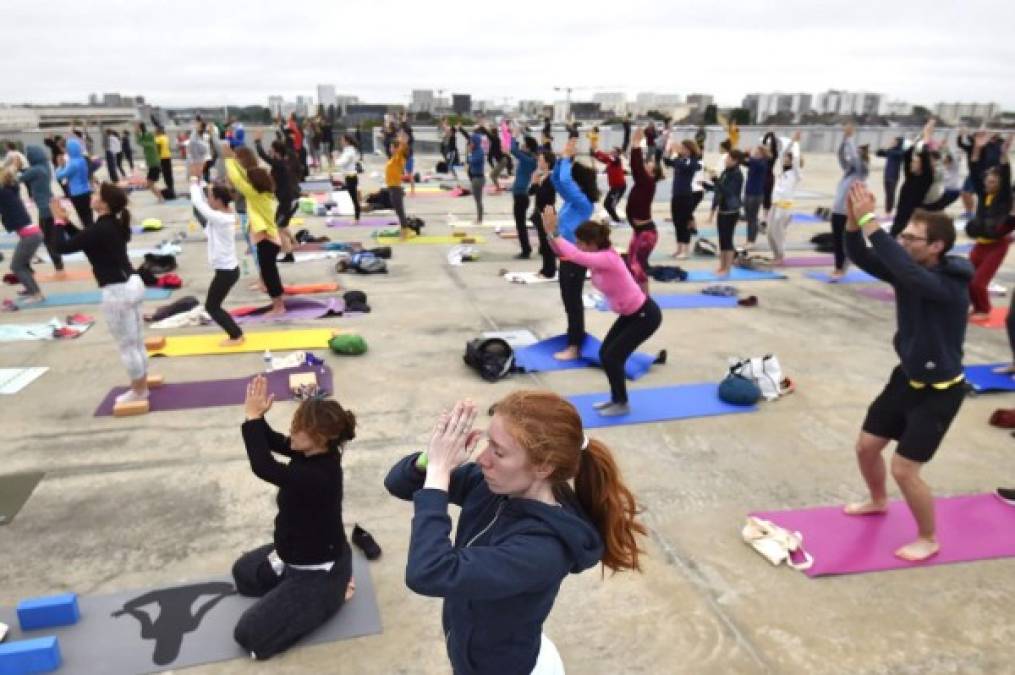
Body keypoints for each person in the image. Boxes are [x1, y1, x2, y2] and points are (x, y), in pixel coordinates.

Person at [384, 393, 646, 673]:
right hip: (472, 647)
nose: (482, 459)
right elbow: (399, 483)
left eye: (498, 451)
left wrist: (439, 473)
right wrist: (431, 460)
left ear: (543, 467)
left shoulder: (543, 550)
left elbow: (428, 572)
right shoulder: (496, 485)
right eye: (487, 443)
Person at [842, 182, 971, 561]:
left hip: (941, 390)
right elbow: (861, 256)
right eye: (903, 236)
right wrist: (853, 223)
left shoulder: (948, 285)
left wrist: (870, 220)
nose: (904, 243)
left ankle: (928, 537)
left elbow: (911, 277)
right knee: (867, 448)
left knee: (905, 469)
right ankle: (878, 501)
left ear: (936, 247)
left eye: (912, 239)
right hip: (907, 378)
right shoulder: (911, 269)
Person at [234, 375, 357, 660]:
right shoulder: (312, 451)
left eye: (299, 428)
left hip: (316, 568)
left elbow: (264, 466)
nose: (292, 431)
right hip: (293, 552)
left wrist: (252, 420)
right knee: (243, 575)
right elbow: (275, 441)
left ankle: (333, 589)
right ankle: (313, 583)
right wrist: (258, 418)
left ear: (320, 439)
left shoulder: (318, 475)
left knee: (249, 636)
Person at [60, 183, 151, 404]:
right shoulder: (113, 224)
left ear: (104, 204)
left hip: (117, 291)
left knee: (127, 346)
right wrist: (66, 222)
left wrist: (55, 222)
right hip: (132, 283)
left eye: (96, 195)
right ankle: (141, 385)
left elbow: (60, 247)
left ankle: (138, 390)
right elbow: (85, 239)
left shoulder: (100, 228)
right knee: (136, 342)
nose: (92, 196)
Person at [550, 137, 598, 361]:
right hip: (566, 258)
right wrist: (562, 160)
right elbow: (558, 181)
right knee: (569, 302)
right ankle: (573, 340)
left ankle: (574, 346)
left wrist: (568, 159)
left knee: (573, 304)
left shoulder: (583, 203)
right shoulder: (572, 202)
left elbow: (565, 181)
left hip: (575, 260)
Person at [224, 144, 285, 316]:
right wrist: (235, 160)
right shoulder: (263, 193)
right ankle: (278, 304)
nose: (247, 183)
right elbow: (243, 176)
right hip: (268, 239)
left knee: (269, 273)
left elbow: (238, 180)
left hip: (267, 240)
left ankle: (278, 306)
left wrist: (229, 159)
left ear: (254, 184)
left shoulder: (255, 196)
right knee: (269, 272)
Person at [189, 176, 243, 346]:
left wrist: (193, 184)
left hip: (227, 272)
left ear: (218, 200)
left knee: (212, 306)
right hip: (227, 269)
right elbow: (200, 207)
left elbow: (199, 204)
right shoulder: (223, 214)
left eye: (211, 197)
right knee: (213, 305)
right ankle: (236, 334)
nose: (208, 199)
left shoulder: (221, 218)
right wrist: (201, 184)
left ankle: (236, 336)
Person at [967, 131, 1013, 320]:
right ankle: (977, 307)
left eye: (992, 182)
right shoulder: (984, 194)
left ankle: (984, 310)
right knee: (967, 277)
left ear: (1000, 184)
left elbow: (1006, 172)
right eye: (987, 181)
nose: (988, 184)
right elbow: (974, 170)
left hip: (996, 246)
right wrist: (977, 148)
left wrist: (1004, 153)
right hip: (980, 244)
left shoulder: (1003, 198)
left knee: (979, 282)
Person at [625, 127, 664, 294]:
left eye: (651, 165)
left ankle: (645, 299)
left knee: (637, 266)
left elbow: (636, 166)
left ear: (652, 173)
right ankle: (636, 294)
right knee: (630, 263)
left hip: (647, 233)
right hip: (638, 230)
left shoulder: (648, 183)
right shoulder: (642, 183)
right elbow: (637, 167)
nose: (648, 164)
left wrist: (636, 144)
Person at [829, 123, 869, 279]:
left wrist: (851, 138)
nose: (852, 158)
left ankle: (841, 267)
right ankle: (839, 266)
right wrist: (845, 139)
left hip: (848, 212)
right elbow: (841, 155)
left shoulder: (862, 170)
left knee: (847, 241)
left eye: (858, 153)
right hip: (837, 210)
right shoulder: (848, 171)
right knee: (837, 240)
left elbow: (854, 157)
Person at [1, 167, 45, 303]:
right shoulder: (11, 190)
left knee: (16, 266)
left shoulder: (3, 193)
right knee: (23, 264)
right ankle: (29, 289)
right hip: (33, 233)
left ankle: (36, 294)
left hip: (30, 236)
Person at [17, 145, 64, 273]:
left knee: (47, 238)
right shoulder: (45, 167)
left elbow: (17, 179)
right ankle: (58, 263)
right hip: (51, 204)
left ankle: (58, 264)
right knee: (50, 237)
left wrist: (14, 167)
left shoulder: (35, 170)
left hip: (45, 208)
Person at [254, 130, 297, 259]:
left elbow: (262, 155)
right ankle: (294, 242)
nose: (270, 151)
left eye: (272, 149)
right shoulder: (281, 162)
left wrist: (257, 141)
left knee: (278, 227)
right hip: (287, 200)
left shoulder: (279, 164)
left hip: (286, 202)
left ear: (277, 151)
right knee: (283, 225)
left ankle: (289, 255)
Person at [890, 120, 936, 238]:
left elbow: (925, 157)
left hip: (911, 223)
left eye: (915, 162)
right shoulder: (910, 177)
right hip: (899, 222)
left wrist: (927, 136)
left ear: (922, 165)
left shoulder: (925, 179)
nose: (911, 164)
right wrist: (917, 139)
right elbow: (907, 157)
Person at [766, 132, 803, 265]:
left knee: (778, 232)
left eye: (789, 157)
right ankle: (775, 255)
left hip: (785, 207)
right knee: (769, 232)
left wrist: (796, 143)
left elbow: (796, 159)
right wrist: (790, 143)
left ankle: (780, 256)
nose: (786, 158)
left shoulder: (796, 174)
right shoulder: (781, 172)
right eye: (786, 157)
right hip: (775, 204)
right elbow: (782, 154)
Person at [664, 139, 703, 259]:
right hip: (676, 195)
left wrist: (676, 154)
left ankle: (685, 250)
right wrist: (668, 151)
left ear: (689, 150)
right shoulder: (679, 160)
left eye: (684, 148)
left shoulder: (693, 162)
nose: (682, 150)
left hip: (686, 196)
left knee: (684, 223)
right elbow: (667, 162)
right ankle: (678, 248)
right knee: (676, 222)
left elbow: (688, 166)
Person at [709, 149, 745, 277]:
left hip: (731, 211)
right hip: (723, 209)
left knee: (728, 239)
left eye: (728, 158)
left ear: (735, 161)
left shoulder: (737, 174)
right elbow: (719, 188)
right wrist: (708, 186)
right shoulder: (726, 172)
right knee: (722, 239)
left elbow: (729, 192)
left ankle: (727, 268)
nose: (725, 160)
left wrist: (715, 181)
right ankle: (722, 266)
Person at [509, 130, 538, 259]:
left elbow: (513, 150)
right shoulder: (529, 158)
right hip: (520, 196)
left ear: (528, 148)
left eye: (524, 145)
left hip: (521, 196)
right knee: (520, 224)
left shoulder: (529, 160)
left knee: (520, 225)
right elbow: (531, 144)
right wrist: (524, 132)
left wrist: (514, 137)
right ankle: (526, 248)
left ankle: (526, 250)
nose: (522, 146)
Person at [529, 150, 558, 280]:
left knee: (548, 244)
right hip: (540, 212)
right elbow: (531, 192)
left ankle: (550, 270)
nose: (538, 162)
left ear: (547, 162)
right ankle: (545, 267)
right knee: (543, 243)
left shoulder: (551, 177)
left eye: (540, 160)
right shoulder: (542, 176)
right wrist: (534, 182)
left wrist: (537, 184)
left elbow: (546, 196)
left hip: (547, 213)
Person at [55, 137, 94, 229]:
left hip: (76, 193)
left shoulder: (72, 163)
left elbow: (59, 176)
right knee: (89, 216)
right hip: (86, 190)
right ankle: (93, 233)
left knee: (83, 217)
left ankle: (90, 236)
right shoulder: (82, 160)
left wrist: (60, 166)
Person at [385, 131, 414, 239]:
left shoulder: (398, 158)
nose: (389, 149)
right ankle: (404, 229)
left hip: (395, 188)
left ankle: (405, 232)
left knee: (400, 211)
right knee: (398, 211)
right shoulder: (394, 158)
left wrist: (402, 141)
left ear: (396, 149)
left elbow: (403, 149)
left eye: (391, 147)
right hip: (392, 187)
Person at [742, 145, 770, 249]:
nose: (755, 153)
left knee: (752, 218)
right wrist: (745, 153)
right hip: (748, 192)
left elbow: (753, 161)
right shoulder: (753, 162)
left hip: (756, 194)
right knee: (749, 218)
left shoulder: (762, 162)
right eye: (755, 151)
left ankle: (751, 241)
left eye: (757, 152)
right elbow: (741, 160)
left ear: (762, 154)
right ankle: (750, 237)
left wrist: (749, 154)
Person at [593, 146, 626, 224]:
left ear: (618, 154)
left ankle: (617, 220)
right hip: (614, 188)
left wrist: (597, 151)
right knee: (607, 204)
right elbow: (602, 159)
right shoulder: (610, 161)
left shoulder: (617, 160)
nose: (611, 152)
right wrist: (594, 153)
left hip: (619, 187)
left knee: (609, 205)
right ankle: (616, 219)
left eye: (613, 152)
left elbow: (606, 157)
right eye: (611, 151)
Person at [462, 125, 486, 224]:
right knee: (477, 199)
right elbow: (468, 162)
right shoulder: (475, 151)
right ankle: (479, 218)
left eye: (471, 142)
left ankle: (479, 219)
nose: (470, 143)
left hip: (478, 179)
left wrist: (469, 154)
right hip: (475, 178)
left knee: (478, 199)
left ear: (475, 142)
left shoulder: (479, 152)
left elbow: (472, 161)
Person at [877, 137, 906, 215]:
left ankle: (889, 211)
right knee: (887, 194)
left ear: (899, 143)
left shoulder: (900, 152)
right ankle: (887, 210)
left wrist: (889, 148)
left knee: (891, 194)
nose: (892, 142)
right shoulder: (891, 151)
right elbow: (878, 153)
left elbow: (899, 154)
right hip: (887, 175)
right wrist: (885, 146)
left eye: (895, 141)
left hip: (893, 176)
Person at [335, 135, 361, 222]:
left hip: (351, 177)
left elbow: (342, 162)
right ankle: (356, 217)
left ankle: (356, 218)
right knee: (353, 198)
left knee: (354, 199)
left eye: (342, 140)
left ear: (347, 141)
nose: (341, 142)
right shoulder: (348, 150)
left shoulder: (350, 151)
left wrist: (336, 159)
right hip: (349, 176)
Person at [136, 123, 163, 202]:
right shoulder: (147, 137)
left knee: (149, 184)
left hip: (155, 165)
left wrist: (137, 133)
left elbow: (140, 142)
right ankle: (160, 197)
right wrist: (137, 132)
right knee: (150, 184)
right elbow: (140, 141)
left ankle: (161, 198)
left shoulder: (150, 141)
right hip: (152, 165)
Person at [154, 126, 175, 199]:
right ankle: (171, 190)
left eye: (156, 131)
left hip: (162, 158)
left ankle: (170, 192)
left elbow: (157, 148)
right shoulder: (166, 137)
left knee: (166, 175)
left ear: (158, 131)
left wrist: (157, 159)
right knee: (169, 175)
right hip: (168, 157)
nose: (155, 132)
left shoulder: (158, 138)